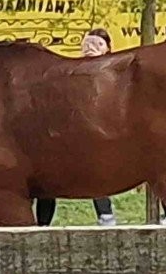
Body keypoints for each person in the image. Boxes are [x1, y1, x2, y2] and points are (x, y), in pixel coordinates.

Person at [33, 29, 116, 228]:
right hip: (68, 133)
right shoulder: (70, 71)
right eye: (87, 43)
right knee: (48, 177)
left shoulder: (113, 73)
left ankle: (106, 215)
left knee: (94, 172)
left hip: (97, 134)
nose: (90, 47)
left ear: (107, 49)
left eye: (97, 44)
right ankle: (43, 224)